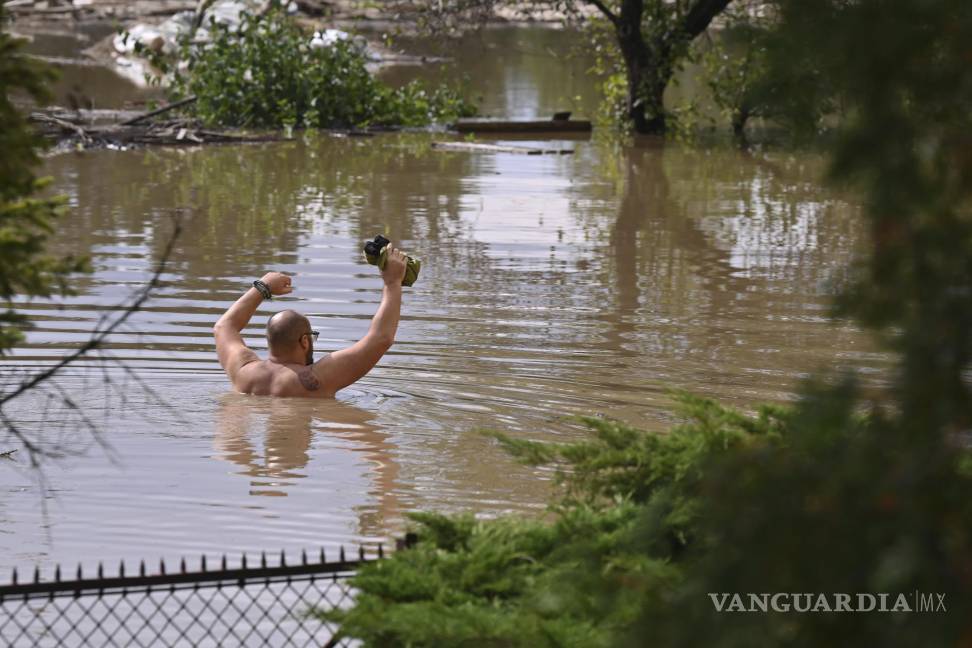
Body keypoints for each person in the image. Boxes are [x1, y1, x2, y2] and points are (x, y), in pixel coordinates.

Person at [213, 246, 408, 397]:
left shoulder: (242, 371)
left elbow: (224, 327)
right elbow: (381, 338)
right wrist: (392, 282)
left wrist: (262, 287)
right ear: (304, 341)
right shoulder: (318, 378)